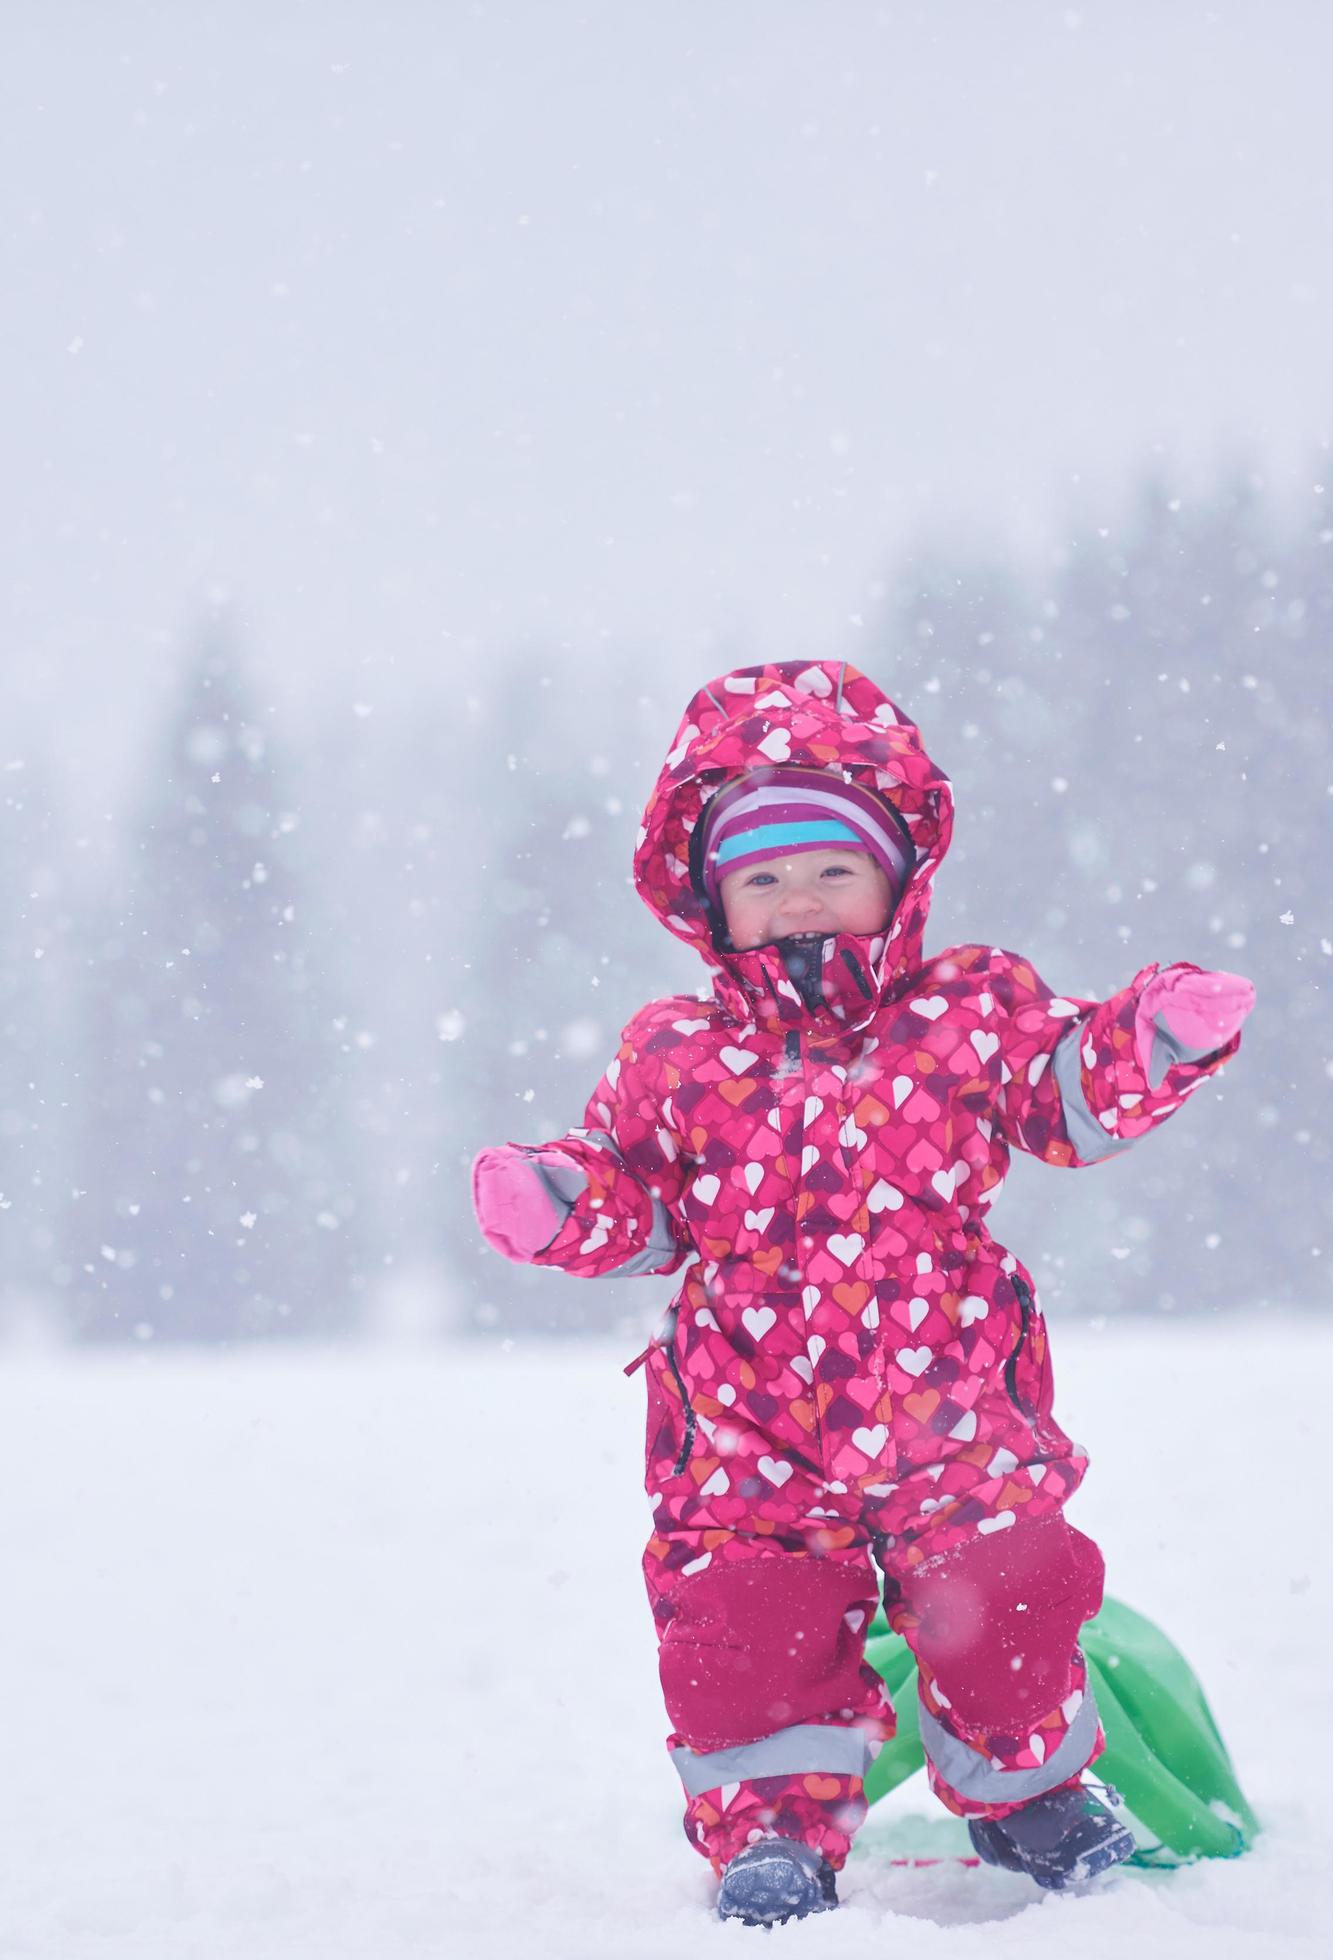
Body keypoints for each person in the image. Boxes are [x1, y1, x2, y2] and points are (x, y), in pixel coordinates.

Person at [469, 662, 1253, 1926]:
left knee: (1007, 1590)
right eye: (763, 881)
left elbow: (1062, 1097)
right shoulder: (676, 1056)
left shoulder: (965, 1011)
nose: (799, 905)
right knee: (744, 1627)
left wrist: (1148, 1040)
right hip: (747, 1432)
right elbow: (645, 1202)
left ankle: (1032, 1790)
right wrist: (564, 1201)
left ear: (897, 877)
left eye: (832, 872)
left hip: (952, 1404)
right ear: (711, 904)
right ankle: (772, 1831)